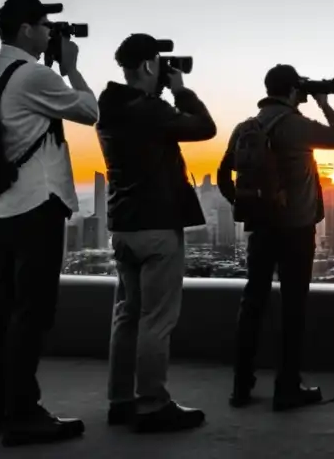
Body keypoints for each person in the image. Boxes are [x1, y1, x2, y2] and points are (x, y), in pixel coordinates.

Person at [0, 0, 98, 447]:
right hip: (36, 206)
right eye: (45, 25)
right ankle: (24, 412)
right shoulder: (34, 75)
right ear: (26, 29)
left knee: (0, 308)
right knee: (32, 312)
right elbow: (89, 111)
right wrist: (71, 68)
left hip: (0, 206)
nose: (50, 32)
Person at [96, 34, 216, 433]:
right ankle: (152, 403)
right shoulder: (149, 110)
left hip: (124, 226)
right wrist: (182, 91)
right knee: (156, 319)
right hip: (157, 226)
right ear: (149, 65)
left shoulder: (109, 107)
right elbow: (205, 128)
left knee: (126, 315)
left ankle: (120, 401)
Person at [217, 64, 334, 411]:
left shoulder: (246, 126)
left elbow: (222, 173)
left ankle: (240, 387)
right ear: (293, 91)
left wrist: (243, 204)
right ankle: (287, 387)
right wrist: (323, 103)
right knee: (293, 308)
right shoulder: (295, 124)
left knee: (253, 303)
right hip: (296, 229)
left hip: (260, 228)